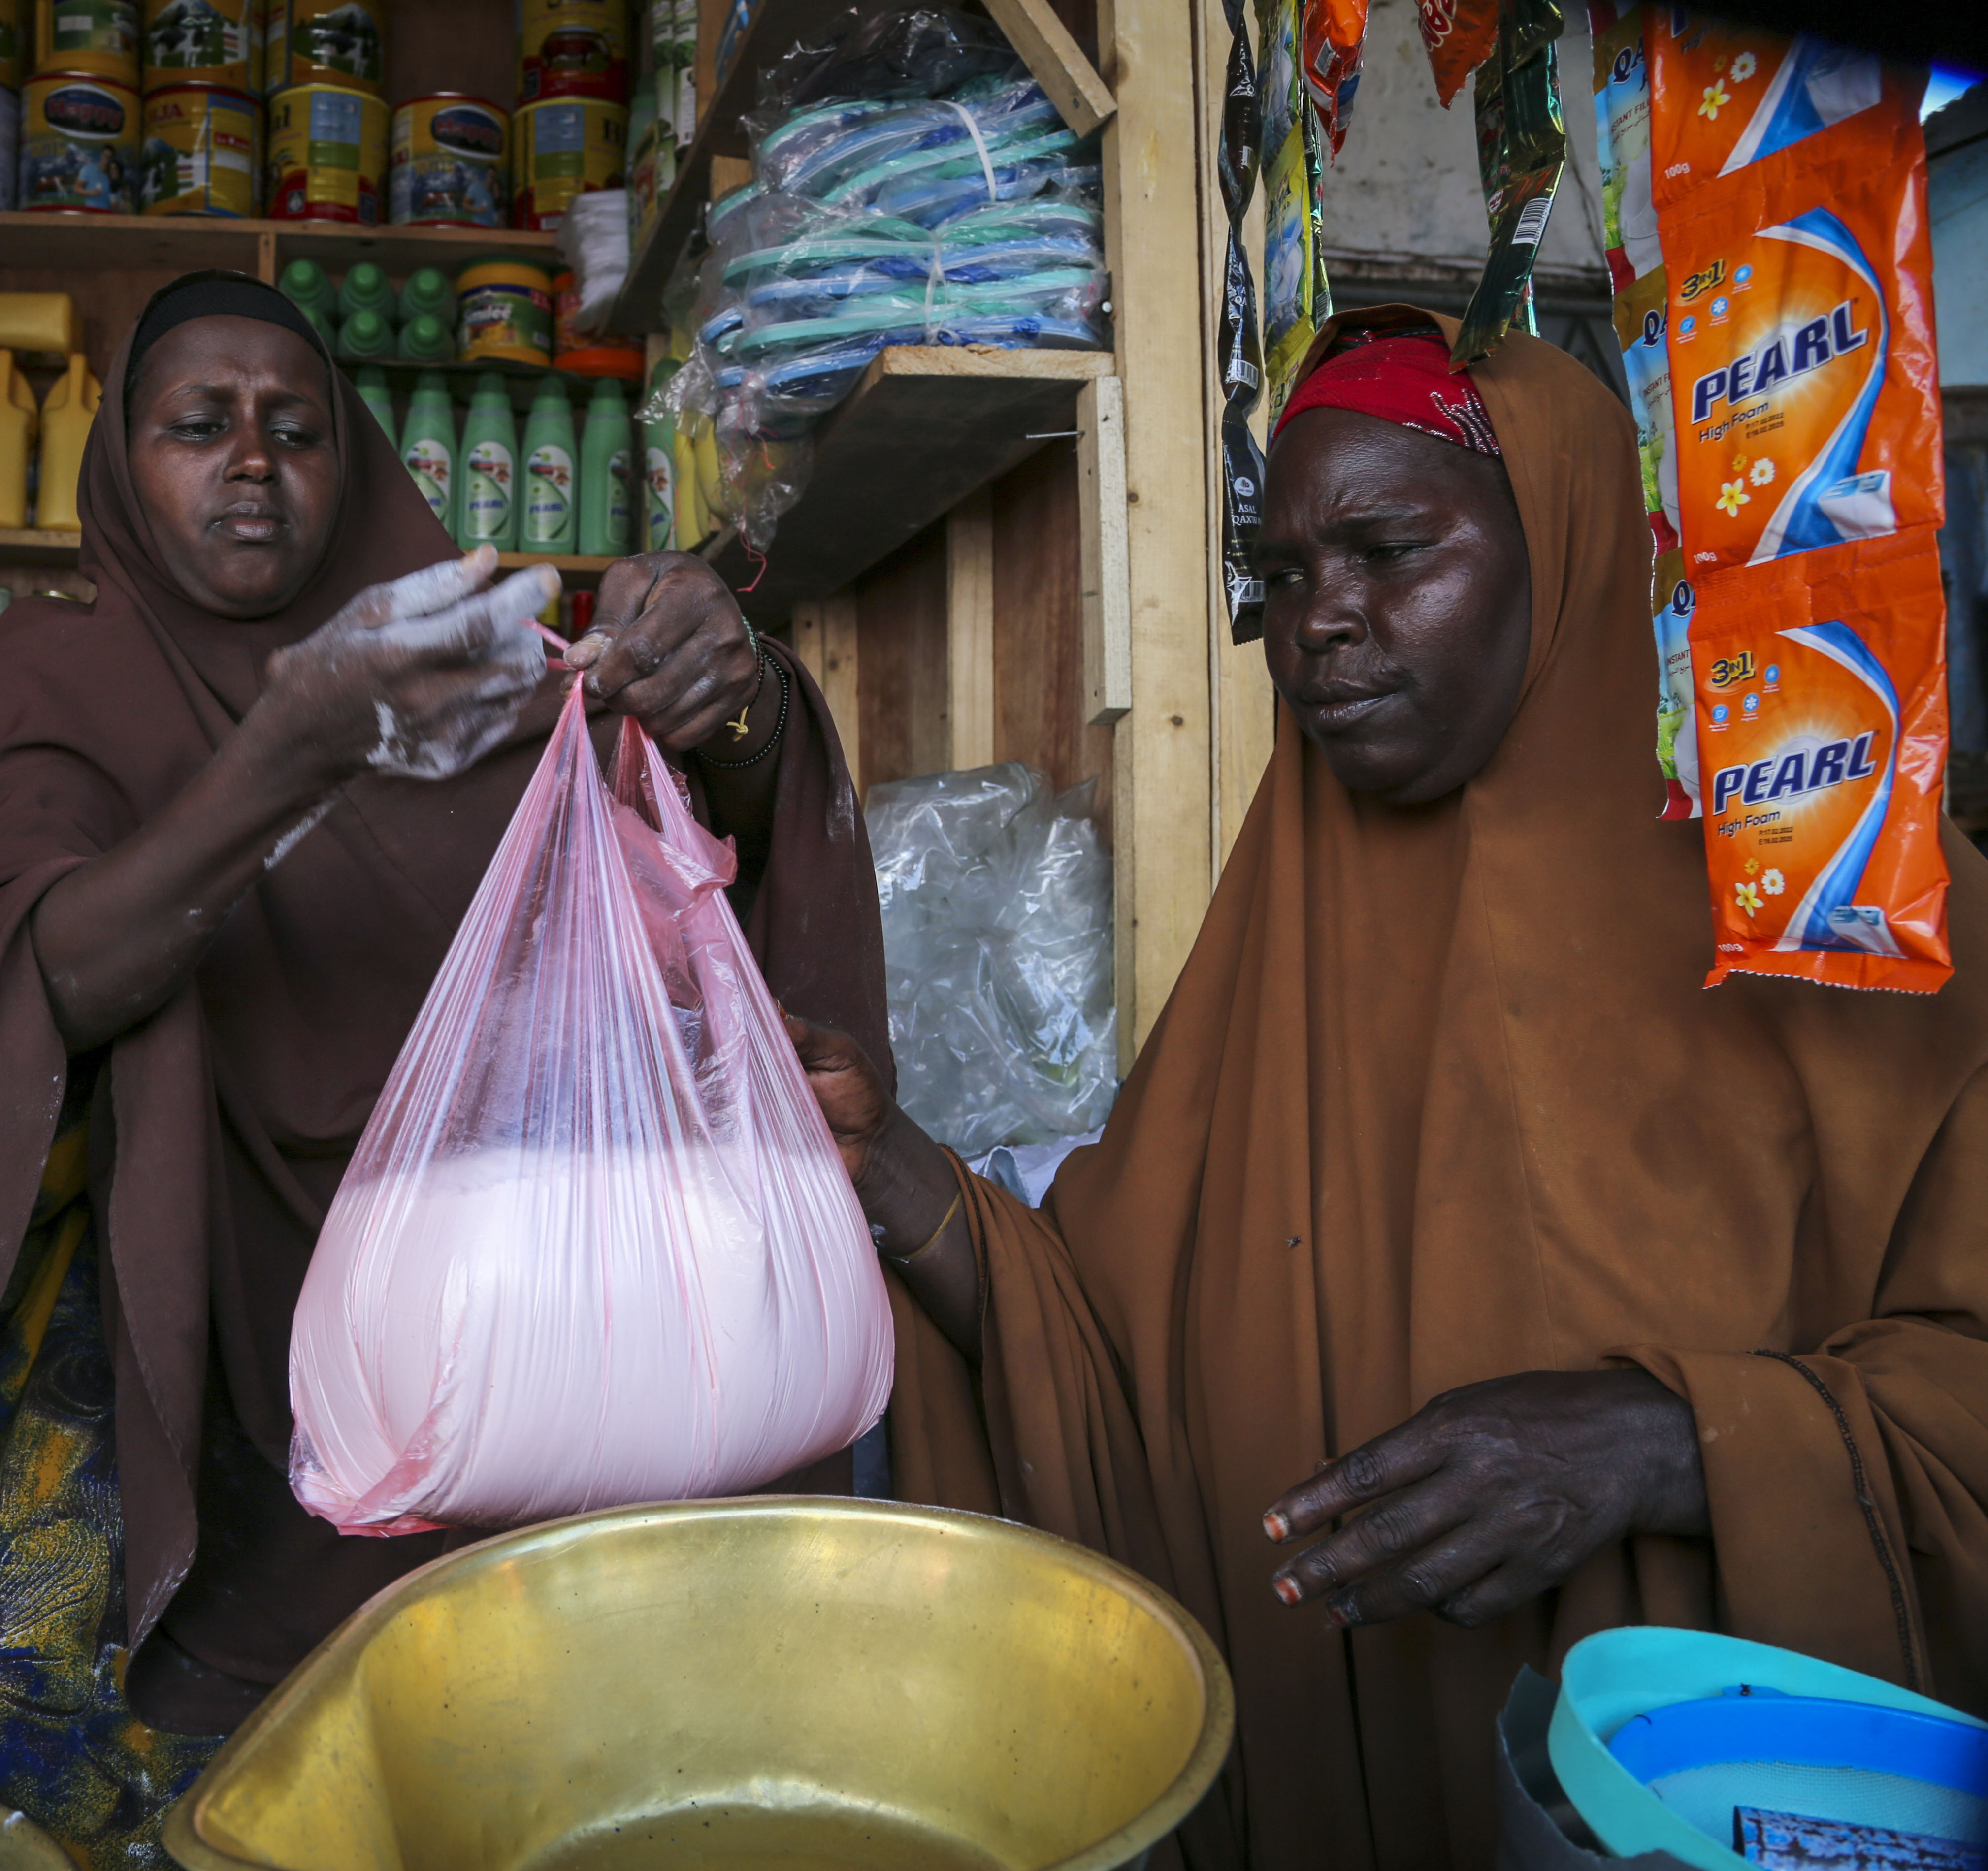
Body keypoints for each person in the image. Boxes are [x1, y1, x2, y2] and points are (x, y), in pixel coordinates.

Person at [791, 305, 1988, 1869]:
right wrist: (899, 1184)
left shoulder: (1855, 926)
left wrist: (1664, 1441)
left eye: (1386, 552)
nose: (1317, 625)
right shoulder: (1280, 939)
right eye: (1280, 578)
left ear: (1563, 551)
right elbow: (1100, 1343)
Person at [0, 272, 887, 1867]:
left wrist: (746, 701)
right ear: (121, 461)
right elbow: (39, 981)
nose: (250, 461)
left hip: (525, 1310)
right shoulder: (62, 667)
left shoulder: (467, 649)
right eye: (197, 426)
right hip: (221, 1312)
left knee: (611, 1752)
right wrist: (292, 747)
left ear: (352, 462)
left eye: (295, 430)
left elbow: (702, 855)